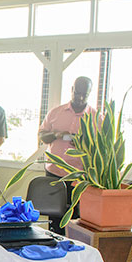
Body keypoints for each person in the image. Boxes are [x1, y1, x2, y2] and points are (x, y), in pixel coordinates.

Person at [38, 76, 96, 234]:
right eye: (77, 93)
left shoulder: (95, 117)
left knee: (75, 219)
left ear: (90, 93)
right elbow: (42, 136)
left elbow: (99, 150)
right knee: (54, 217)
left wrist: (82, 143)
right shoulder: (56, 113)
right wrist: (56, 134)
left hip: (78, 177)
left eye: (84, 94)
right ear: (71, 90)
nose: (80, 97)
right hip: (54, 173)